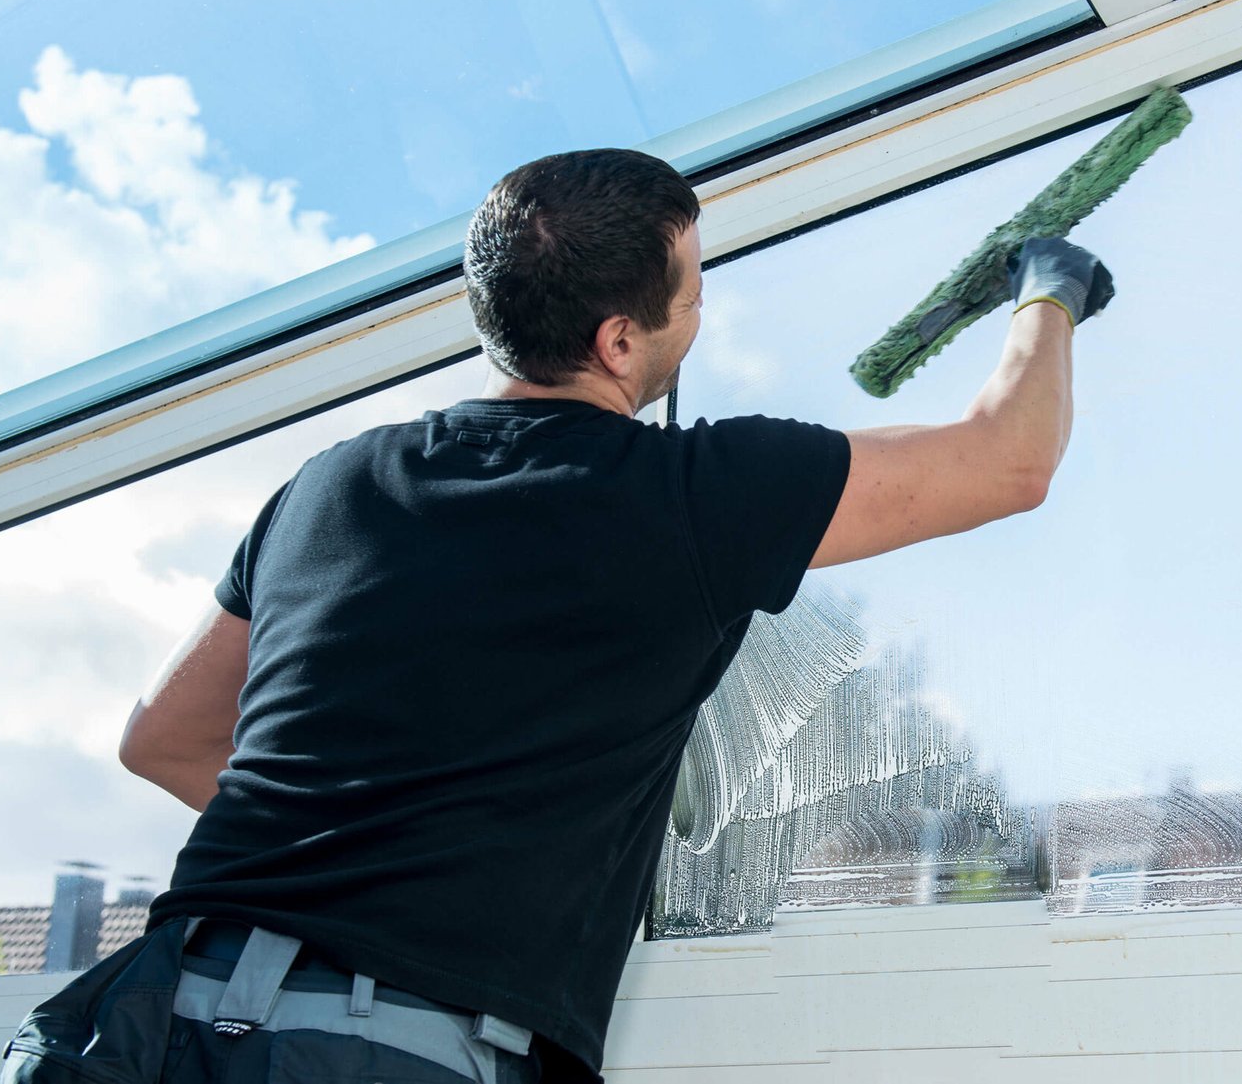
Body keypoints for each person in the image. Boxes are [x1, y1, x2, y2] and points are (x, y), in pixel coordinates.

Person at [102, 148, 1113, 1083]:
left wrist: (349, 861)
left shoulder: (332, 484)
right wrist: (1050, 286)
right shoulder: (694, 496)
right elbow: (1007, 463)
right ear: (619, 339)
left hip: (148, 1021)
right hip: (385, 1052)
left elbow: (163, 739)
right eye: (693, 291)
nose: (702, 310)